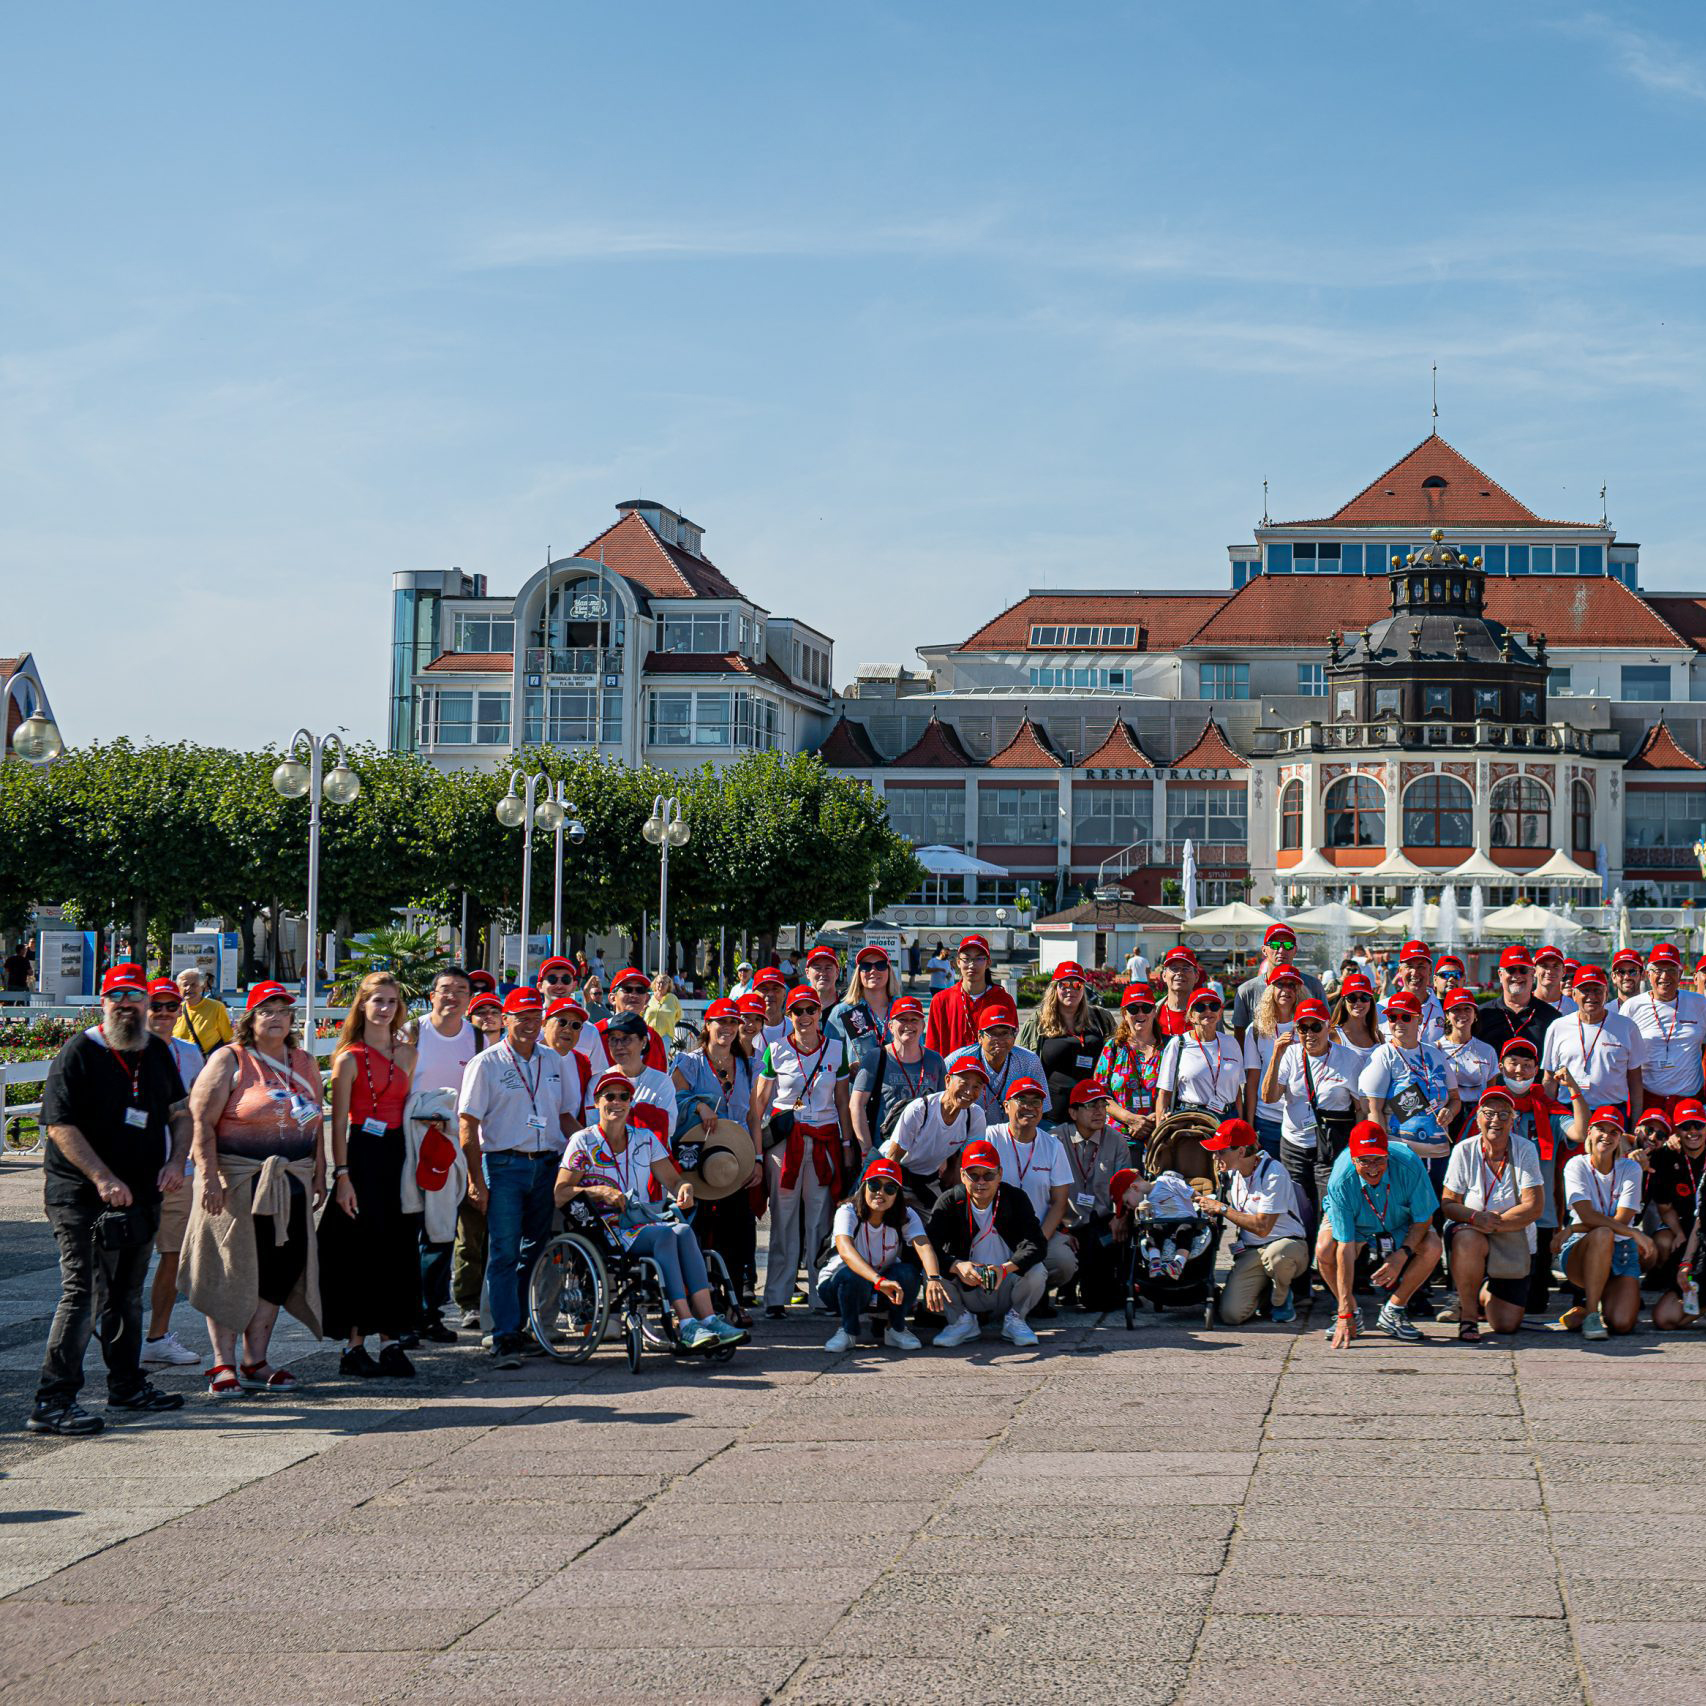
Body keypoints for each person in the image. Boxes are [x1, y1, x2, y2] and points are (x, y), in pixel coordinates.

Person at [29, 966, 191, 1436]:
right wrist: (101, 1177)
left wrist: (176, 1161)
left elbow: (180, 1113)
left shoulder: (155, 1050)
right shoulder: (79, 1052)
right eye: (116, 996)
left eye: (134, 995)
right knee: (84, 1293)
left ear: (146, 1003)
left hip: (142, 1193)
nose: (126, 1004)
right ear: (102, 1003)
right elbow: (58, 1125)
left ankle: (127, 1385)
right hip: (81, 1196)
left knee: (127, 1294)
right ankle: (53, 1401)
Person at [182, 982, 324, 1398]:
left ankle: (255, 1360)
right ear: (250, 1018)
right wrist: (209, 1177)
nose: (276, 1017)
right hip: (237, 1184)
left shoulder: (304, 1061)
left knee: (277, 1271)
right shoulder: (230, 1059)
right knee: (231, 1269)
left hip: (291, 1184)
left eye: (283, 1010)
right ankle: (222, 1363)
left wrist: (320, 1173)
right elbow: (201, 1121)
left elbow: (316, 1120)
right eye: (267, 1010)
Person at [556, 1071, 745, 1352]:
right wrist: (598, 1191)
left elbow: (672, 1180)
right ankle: (686, 1322)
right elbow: (560, 1193)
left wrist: (684, 1188)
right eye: (610, 1096)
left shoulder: (643, 1138)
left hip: (642, 1220)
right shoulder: (583, 1141)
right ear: (597, 1102)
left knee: (683, 1230)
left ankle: (707, 1318)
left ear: (630, 1103)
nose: (617, 1102)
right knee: (666, 1235)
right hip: (607, 1228)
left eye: (624, 1097)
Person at [457, 987, 578, 1368]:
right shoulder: (486, 1063)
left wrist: (595, 1150)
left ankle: (520, 1326)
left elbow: (565, 1116)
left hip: (546, 1166)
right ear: (505, 1020)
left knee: (535, 1250)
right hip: (504, 1165)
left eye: (535, 1017)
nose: (529, 1024)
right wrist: (475, 1181)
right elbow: (467, 1124)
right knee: (504, 1251)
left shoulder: (554, 1059)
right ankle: (503, 1335)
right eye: (521, 1017)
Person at [318, 972, 421, 1378]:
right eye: (378, 1000)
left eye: (392, 1001)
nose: (385, 1008)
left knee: (398, 1247)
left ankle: (391, 1341)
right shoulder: (348, 1058)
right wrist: (341, 1176)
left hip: (399, 1154)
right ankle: (354, 1346)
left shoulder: (408, 1053)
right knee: (360, 1250)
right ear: (362, 1005)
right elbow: (339, 1122)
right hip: (362, 1156)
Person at [751, 984, 854, 1317]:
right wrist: (756, 1153)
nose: (805, 1016)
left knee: (820, 1219)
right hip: (786, 1142)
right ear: (789, 1015)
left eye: (811, 1009)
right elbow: (759, 1104)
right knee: (783, 1218)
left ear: (820, 1012)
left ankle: (822, 1294)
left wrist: (847, 1144)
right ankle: (776, 1295)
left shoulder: (836, 1049)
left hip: (824, 1139)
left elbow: (842, 1102)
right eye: (798, 1011)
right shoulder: (776, 1049)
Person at [1317, 1121, 1443, 1347]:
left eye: (1378, 1159)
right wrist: (1344, 1311)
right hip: (1356, 1220)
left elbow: (1424, 1218)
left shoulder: (1409, 1163)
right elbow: (1345, 1247)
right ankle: (1350, 1310)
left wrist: (1402, 1255)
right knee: (1325, 1249)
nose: (1372, 1168)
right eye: (1364, 1161)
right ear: (1353, 1159)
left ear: (1388, 1155)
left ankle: (1394, 1309)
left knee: (1432, 1246)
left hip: (1400, 1220)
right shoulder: (1340, 1180)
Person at [672, 997, 758, 1321]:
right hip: (698, 1157)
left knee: (738, 1230)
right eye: (721, 1021)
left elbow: (753, 1116)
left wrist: (757, 1159)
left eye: (733, 1022)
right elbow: (674, 1099)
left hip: (734, 1159)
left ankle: (734, 1300)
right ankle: (704, 1303)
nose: (728, 1028)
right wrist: (699, 1104)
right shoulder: (690, 1062)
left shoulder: (747, 1064)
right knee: (698, 1230)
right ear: (707, 1025)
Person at [1439, 1085, 1545, 1342]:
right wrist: (1476, 1218)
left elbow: (1534, 1206)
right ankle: (1468, 1316)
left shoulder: (1525, 1149)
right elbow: (1449, 1203)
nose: (1495, 1119)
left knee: (1506, 1325)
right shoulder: (1464, 1149)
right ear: (1478, 1119)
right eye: (1488, 1113)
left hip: (1511, 1234)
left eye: (1503, 1114)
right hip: (1472, 1228)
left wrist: (1493, 1223)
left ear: (1513, 1120)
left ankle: (1482, 1290)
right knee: (1468, 1239)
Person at [1260, 996, 1366, 1248]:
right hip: (1294, 1144)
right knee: (1299, 1204)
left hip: (1331, 1144)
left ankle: (1326, 1255)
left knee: (1328, 1203)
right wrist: (1276, 1055)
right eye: (1302, 1028)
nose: (1309, 1034)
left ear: (1328, 1026)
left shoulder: (1349, 1059)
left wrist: (1356, 1147)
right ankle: (1304, 1257)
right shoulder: (1290, 1054)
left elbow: (1361, 1108)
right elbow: (1269, 1096)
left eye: (1315, 1026)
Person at [817, 1157, 949, 1352]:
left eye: (889, 1188)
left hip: (883, 1285)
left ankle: (895, 1328)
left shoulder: (906, 1214)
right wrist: (878, 1281)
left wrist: (934, 1278)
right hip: (838, 1286)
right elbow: (846, 1251)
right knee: (852, 1276)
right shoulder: (848, 1211)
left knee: (909, 1273)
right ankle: (848, 1331)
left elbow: (923, 1245)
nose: (880, 1192)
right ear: (864, 1186)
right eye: (874, 1185)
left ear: (897, 1194)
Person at [140, 979, 205, 1369]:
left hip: (180, 1170)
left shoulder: (189, 1053)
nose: (164, 1013)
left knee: (172, 1256)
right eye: (157, 1006)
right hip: (133, 1173)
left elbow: (199, 1109)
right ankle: (117, 1337)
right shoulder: (125, 1050)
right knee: (123, 1260)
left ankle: (157, 1337)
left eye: (171, 1006)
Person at [409, 966, 477, 1339]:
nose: (452, 996)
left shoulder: (477, 1038)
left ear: (469, 998)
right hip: (412, 1139)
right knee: (409, 1229)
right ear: (431, 995)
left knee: (442, 1231)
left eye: (461, 990)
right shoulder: (413, 1032)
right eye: (445, 989)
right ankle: (404, 1317)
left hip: (454, 1143)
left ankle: (429, 1312)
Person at [927, 1138, 1047, 1347]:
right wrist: (956, 1266)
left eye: (988, 1175)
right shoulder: (950, 1201)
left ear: (1000, 1174)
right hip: (966, 1284)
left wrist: (1005, 1268)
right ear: (962, 1176)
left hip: (1005, 1282)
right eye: (973, 1175)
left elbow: (1037, 1243)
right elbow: (930, 1246)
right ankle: (961, 1321)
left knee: (1038, 1269)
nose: (981, 1182)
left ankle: (1016, 1318)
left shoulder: (1015, 1198)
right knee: (930, 1269)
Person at [1196, 1117, 1309, 1325]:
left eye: (1221, 1151)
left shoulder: (1274, 1172)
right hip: (1252, 1250)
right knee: (1231, 1315)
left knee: (1277, 1256)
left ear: (1241, 1151)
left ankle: (1281, 1300)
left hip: (1286, 1245)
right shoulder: (1233, 1174)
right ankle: (1265, 1291)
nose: (1215, 1156)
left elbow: (1262, 1227)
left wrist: (1221, 1208)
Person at [1559, 1105, 1653, 1339]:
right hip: (1582, 1248)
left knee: (1622, 1324)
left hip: (1621, 1249)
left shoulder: (1631, 1168)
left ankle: (1586, 1309)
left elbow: (1622, 1218)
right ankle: (1592, 1313)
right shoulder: (1576, 1165)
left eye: (1613, 1132)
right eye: (1601, 1129)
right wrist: (1634, 1233)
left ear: (1620, 1138)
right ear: (1589, 1132)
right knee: (1603, 1233)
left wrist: (1573, 1227)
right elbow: (1588, 1215)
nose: (1606, 1136)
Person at [984, 1076, 1074, 1305]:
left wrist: (1038, 1241)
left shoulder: (1053, 1145)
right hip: (994, 1232)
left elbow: (1060, 1202)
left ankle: (1035, 1293)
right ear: (1006, 1106)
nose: (1029, 1107)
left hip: (1038, 1231)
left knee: (1064, 1262)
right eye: (1021, 1100)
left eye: (1036, 1102)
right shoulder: (990, 1137)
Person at [1055, 1078, 1133, 1308]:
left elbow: (1125, 1185)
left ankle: (1110, 1283)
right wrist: (1058, 1230)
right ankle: (1066, 1282)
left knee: (1098, 1301)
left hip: (1103, 1223)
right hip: (1064, 1224)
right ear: (1073, 1112)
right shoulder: (1055, 1140)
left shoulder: (1116, 1140)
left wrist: (1121, 1217)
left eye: (1102, 1105)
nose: (1099, 1111)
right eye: (1091, 1106)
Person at [1358, 992, 1459, 1169]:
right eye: (1392, 1017)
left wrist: (1449, 1111)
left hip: (1440, 1156)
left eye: (1405, 1017)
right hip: (1400, 1158)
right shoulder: (1384, 1054)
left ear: (1419, 1019)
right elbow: (1372, 1110)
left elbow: (1455, 1098)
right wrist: (1381, 1156)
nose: (1398, 1022)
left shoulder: (1434, 1053)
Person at [1539, 963, 1645, 1122]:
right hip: (1568, 1112)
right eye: (1585, 990)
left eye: (1597, 990)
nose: (1591, 996)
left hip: (1612, 1113)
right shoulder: (1558, 1027)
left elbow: (1635, 1081)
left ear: (1606, 993)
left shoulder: (1627, 1027)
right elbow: (1549, 1079)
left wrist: (1635, 1122)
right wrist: (1546, 1121)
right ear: (1574, 995)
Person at [885, 1052, 988, 1210]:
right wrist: (891, 1195)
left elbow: (966, 1161)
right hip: (894, 1171)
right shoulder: (920, 1110)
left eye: (976, 1087)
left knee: (943, 1219)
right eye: (964, 1083)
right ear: (947, 1081)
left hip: (926, 1179)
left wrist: (957, 1193)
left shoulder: (975, 1116)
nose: (969, 1092)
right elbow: (892, 1158)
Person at [1019, 961, 1117, 1124]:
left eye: (1077, 984)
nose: (1070, 989)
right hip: (1051, 1118)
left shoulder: (1100, 1018)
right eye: (1064, 984)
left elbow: (1118, 1056)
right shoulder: (1038, 1022)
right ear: (1055, 988)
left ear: (1083, 989)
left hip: (1094, 1116)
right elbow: (1021, 1063)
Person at [1617, 943, 1706, 1120]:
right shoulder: (1632, 1007)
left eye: (1671, 970)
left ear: (1680, 973)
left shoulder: (1700, 1004)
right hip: (1649, 1100)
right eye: (1658, 970)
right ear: (1647, 974)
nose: (1664, 976)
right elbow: (1621, 1057)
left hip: (1690, 1100)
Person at [849, 996, 945, 1157]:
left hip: (924, 1152)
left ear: (923, 1026)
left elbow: (943, 1109)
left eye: (914, 1020)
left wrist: (941, 1154)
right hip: (885, 1150)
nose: (909, 1025)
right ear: (891, 1026)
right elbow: (856, 1105)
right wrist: (867, 1151)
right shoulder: (876, 1057)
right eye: (902, 1019)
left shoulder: (935, 1060)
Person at [1155, 987, 1241, 1120]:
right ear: (1191, 1016)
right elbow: (1164, 1093)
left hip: (1228, 1116)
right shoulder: (1178, 1044)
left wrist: (1241, 1122)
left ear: (1219, 1013)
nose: (1208, 1011)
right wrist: (1160, 1129)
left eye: (1214, 1006)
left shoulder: (1231, 1043)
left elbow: (1237, 1090)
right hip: (1193, 1117)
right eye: (1200, 1007)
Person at [1242, 966, 1302, 1157]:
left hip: (1301, 1120)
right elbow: (1252, 1081)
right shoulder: (1256, 1030)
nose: (1286, 990)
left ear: (1299, 991)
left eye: (1292, 985)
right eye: (1280, 984)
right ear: (1270, 990)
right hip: (1267, 1119)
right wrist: (1249, 1125)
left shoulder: (1309, 1026)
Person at [1095, 983, 1162, 1150]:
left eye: (1146, 1008)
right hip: (1118, 1138)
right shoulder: (1113, 1047)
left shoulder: (1170, 1047)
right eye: (1133, 1009)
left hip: (1160, 1136)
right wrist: (1130, 1119)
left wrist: (1153, 1119)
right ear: (1124, 1014)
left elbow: (1180, 1090)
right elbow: (1100, 1093)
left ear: (1154, 1011)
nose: (1140, 1013)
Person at [598, 1011, 678, 1147]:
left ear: (644, 1041)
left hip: (651, 1155)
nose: (619, 1046)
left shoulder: (661, 1082)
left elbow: (669, 1127)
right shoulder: (600, 1081)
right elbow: (593, 1125)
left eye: (626, 1039)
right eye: (613, 1039)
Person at [1232, 925, 1325, 1039]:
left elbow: (1326, 1025)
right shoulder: (1246, 990)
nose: (1281, 950)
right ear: (1264, 950)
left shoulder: (1313, 985)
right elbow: (1239, 1034)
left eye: (1288, 945)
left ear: (1295, 950)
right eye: (1274, 945)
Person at [964, 994, 1046, 1120]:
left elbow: (1042, 1108)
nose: (999, 1039)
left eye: (1005, 1033)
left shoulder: (1029, 1061)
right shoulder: (958, 1061)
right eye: (992, 1033)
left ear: (1014, 1036)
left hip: (1017, 1129)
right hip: (968, 1129)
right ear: (980, 1037)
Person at [924, 934, 1005, 1058]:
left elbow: (1008, 1044)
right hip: (951, 1069)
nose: (972, 964)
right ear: (958, 962)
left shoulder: (1002, 1000)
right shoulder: (941, 1000)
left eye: (979, 958)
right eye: (966, 958)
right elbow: (932, 1048)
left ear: (988, 962)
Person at [1472, 945, 1561, 1057]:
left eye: (1523, 970)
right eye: (1511, 970)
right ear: (1500, 975)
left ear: (1532, 974)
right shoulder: (1482, 1014)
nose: (1517, 975)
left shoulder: (1551, 1017)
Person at [1663, 1100, 1706, 1328]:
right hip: (1693, 1238)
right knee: (1664, 1318)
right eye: (1685, 1126)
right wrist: (1686, 1261)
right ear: (1676, 1131)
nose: (1692, 1131)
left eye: (1698, 1125)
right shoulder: (1668, 1155)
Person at [581, 969, 669, 1077]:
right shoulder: (594, 1033)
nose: (634, 995)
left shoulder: (655, 1039)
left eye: (640, 990)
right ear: (612, 998)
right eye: (627, 989)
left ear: (646, 999)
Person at [1438, 989, 1499, 1134]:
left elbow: (1491, 1092)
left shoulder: (1487, 1050)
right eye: (1456, 1009)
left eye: (1467, 1009)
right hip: (1446, 1115)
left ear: (1475, 1014)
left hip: (1479, 1117)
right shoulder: (1435, 1049)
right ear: (1447, 1015)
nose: (1462, 1014)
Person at [828, 945, 900, 1050]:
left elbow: (918, 1051)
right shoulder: (843, 1011)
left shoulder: (903, 1008)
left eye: (880, 965)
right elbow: (828, 1054)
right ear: (858, 973)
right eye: (866, 966)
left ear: (889, 971)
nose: (873, 970)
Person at [1376, 941, 1445, 1043]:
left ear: (1430, 970)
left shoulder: (1445, 1009)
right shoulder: (1382, 1009)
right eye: (1409, 966)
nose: (1415, 973)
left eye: (1421, 967)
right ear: (1400, 971)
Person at [173, 967, 234, 1059]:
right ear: (179, 988)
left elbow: (228, 1040)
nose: (188, 988)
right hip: (181, 1063)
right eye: (185, 985)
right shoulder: (175, 1009)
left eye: (193, 985)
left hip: (208, 1063)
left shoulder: (216, 1007)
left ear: (202, 987)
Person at [1330, 970, 1381, 1066]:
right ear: (1344, 1001)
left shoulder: (1377, 1035)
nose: (1358, 1003)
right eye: (1352, 998)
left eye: (1364, 997)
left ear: (1371, 1001)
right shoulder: (1332, 1034)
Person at [1156, 946, 1203, 1039]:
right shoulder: (1152, 1013)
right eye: (1174, 968)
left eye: (1186, 968)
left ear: (1196, 976)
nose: (1179, 973)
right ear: (1164, 976)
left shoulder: (1209, 1012)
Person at [1534, 946, 1575, 1014]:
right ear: (1534, 971)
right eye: (1544, 966)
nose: (1550, 971)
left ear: (1564, 971)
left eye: (1555, 966)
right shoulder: (1522, 1003)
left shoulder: (1575, 1008)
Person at [643, 971, 683, 1042]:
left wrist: (670, 1022)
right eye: (659, 982)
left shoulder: (673, 998)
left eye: (664, 983)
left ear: (669, 985)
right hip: (648, 1034)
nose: (661, 985)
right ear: (655, 984)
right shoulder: (649, 997)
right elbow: (640, 1013)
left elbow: (679, 1015)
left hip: (665, 1034)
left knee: (663, 1049)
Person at [802, 944, 842, 1015]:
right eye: (817, 968)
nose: (823, 973)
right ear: (807, 973)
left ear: (837, 972)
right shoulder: (798, 1009)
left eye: (828, 968)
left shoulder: (848, 1007)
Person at [1608, 948, 1645, 1013]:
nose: (1626, 977)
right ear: (1613, 977)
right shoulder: (1606, 1011)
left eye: (1632, 971)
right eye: (1621, 972)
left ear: (1642, 975)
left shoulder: (1652, 1009)